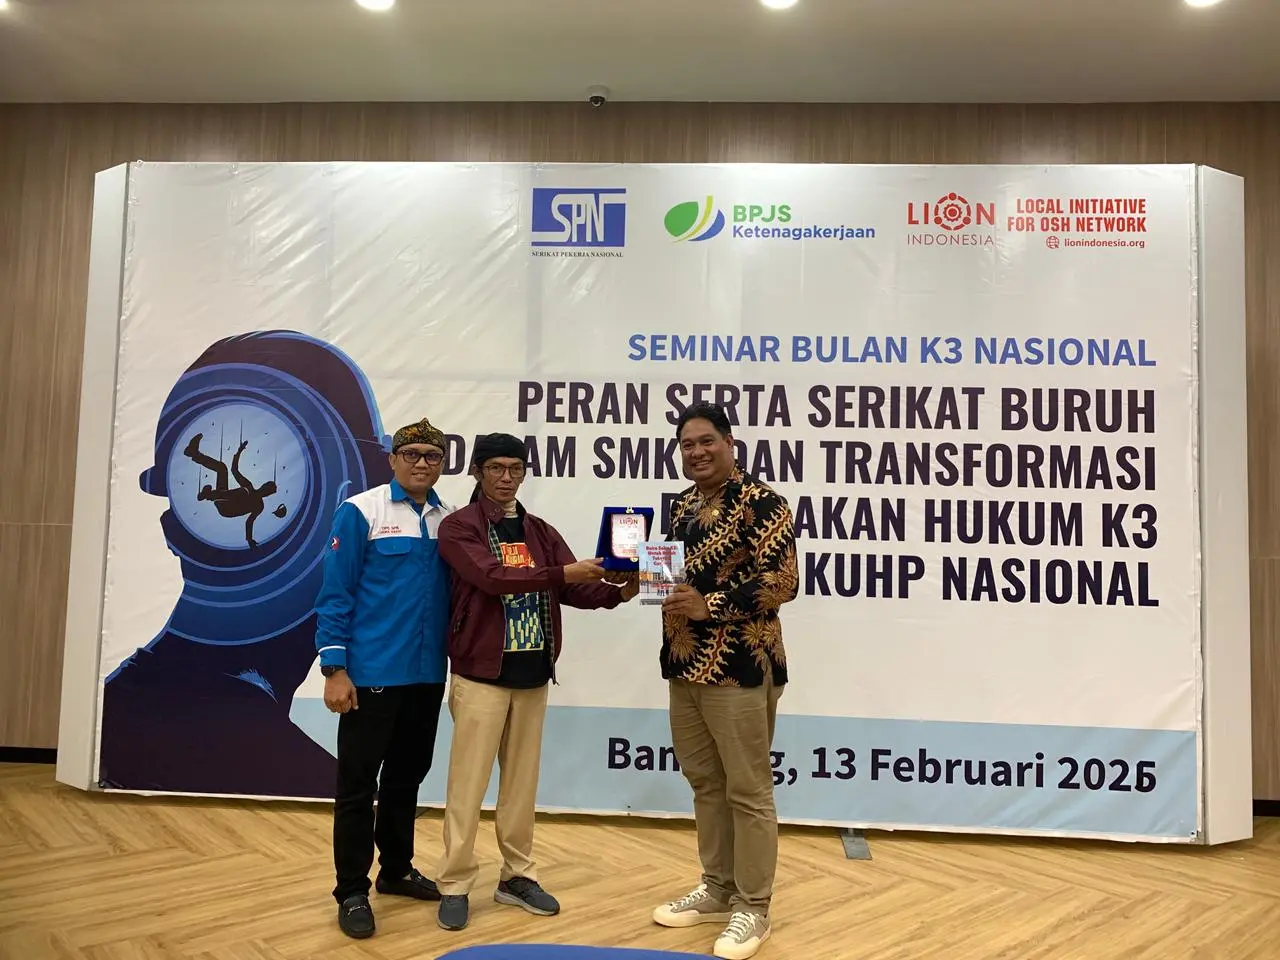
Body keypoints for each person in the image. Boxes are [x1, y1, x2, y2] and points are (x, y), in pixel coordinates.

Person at [432, 432, 639, 932]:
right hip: (480, 676)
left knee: (521, 788)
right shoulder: (459, 527)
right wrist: (566, 574)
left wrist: (621, 590)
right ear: (477, 471)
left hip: (532, 676)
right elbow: (493, 577)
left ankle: (517, 876)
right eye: (496, 468)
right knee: (467, 787)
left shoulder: (539, 530)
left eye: (515, 468)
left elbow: (576, 588)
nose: (507, 478)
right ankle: (455, 882)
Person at [650, 401, 799, 960]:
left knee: (749, 791)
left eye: (706, 441)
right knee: (705, 784)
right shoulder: (683, 504)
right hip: (684, 665)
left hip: (739, 668)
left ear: (730, 443)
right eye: (687, 444)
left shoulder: (763, 503)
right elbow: (671, 578)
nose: (696, 452)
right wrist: (635, 577)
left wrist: (709, 606)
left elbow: (783, 581)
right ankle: (717, 888)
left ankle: (754, 906)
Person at [313, 417, 456, 940]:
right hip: (370, 674)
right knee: (357, 785)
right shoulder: (361, 511)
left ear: (442, 465)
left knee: (406, 777)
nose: (421, 463)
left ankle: (395, 870)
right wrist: (335, 669)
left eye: (432, 456)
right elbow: (335, 594)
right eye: (411, 453)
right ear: (393, 459)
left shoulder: (450, 520)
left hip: (426, 675)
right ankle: (352, 889)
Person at [184, 433, 283, 548]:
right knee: (222, 468)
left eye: (268, 490)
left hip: (227, 510)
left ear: (267, 494)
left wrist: (249, 539)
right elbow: (234, 470)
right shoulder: (249, 487)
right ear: (263, 485)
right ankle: (195, 454)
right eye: (267, 487)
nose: (265, 490)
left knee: (244, 491)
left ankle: (209, 495)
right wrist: (239, 451)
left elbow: (249, 522)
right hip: (222, 497)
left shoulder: (259, 505)